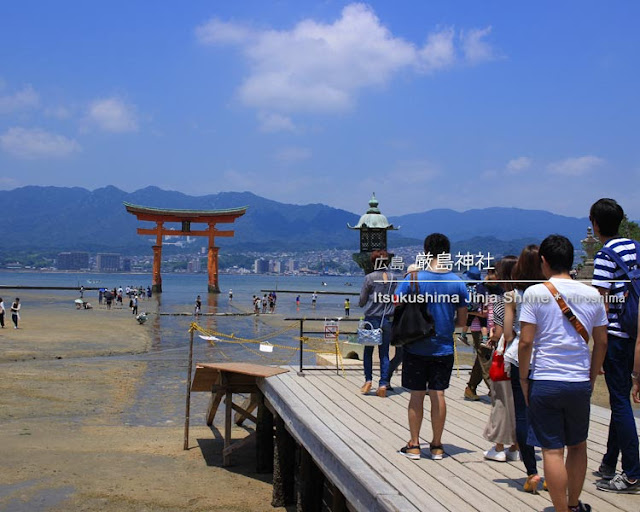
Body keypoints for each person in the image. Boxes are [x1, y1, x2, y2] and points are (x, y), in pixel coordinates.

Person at [518, 234, 608, 512]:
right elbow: (602, 342)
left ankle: (560, 509)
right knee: (578, 446)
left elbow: (526, 341)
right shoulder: (592, 293)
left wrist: (524, 378)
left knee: (552, 450)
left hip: (545, 379)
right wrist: (591, 376)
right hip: (579, 380)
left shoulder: (535, 293)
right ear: (570, 261)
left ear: (543, 261)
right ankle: (573, 504)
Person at [396, 233, 468, 461]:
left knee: (416, 396)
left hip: (416, 346)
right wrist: (446, 325)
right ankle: (437, 446)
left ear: (426, 253)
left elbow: (396, 303)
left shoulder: (414, 278)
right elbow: (463, 321)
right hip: (444, 347)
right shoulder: (458, 282)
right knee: (439, 395)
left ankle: (415, 444)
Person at [589, 198, 640, 492]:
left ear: (595, 224)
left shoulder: (605, 255)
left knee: (620, 403)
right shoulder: (636, 248)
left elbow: (601, 307)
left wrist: (599, 345)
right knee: (619, 400)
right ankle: (610, 462)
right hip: (638, 335)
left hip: (619, 337)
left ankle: (632, 472)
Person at [503, 245, 545, 492]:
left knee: (522, 414)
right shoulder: (550, 292)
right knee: (548, 417)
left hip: (521, 357)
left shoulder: (513, 295)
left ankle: (532, 472)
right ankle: (553, 470)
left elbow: (509, 333)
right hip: (548, 359)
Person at [482, 257, 520, 463]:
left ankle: (498, 446)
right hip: (528, 358)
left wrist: (492, 339)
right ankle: (516, 445)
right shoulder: (530, 296)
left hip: (506, 355)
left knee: (501, 401)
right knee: (519, 403)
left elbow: (500, 331)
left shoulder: (504, 299)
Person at [358, 250, 396, 398]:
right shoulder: (393, 277)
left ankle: (368, 380)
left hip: (371, 318)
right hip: (387, 319)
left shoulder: (369, 278)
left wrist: (364, 303)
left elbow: (362, 300)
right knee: (384, 353)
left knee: (368, 351)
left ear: (374, 262)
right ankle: (383, 383)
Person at [463, 267, 495, 401]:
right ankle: (495, 390)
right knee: (485, 358)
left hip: (490, 327)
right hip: (480, 328)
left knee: (481, 358)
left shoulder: (489, 287)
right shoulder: (480, 288)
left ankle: (471, 388)